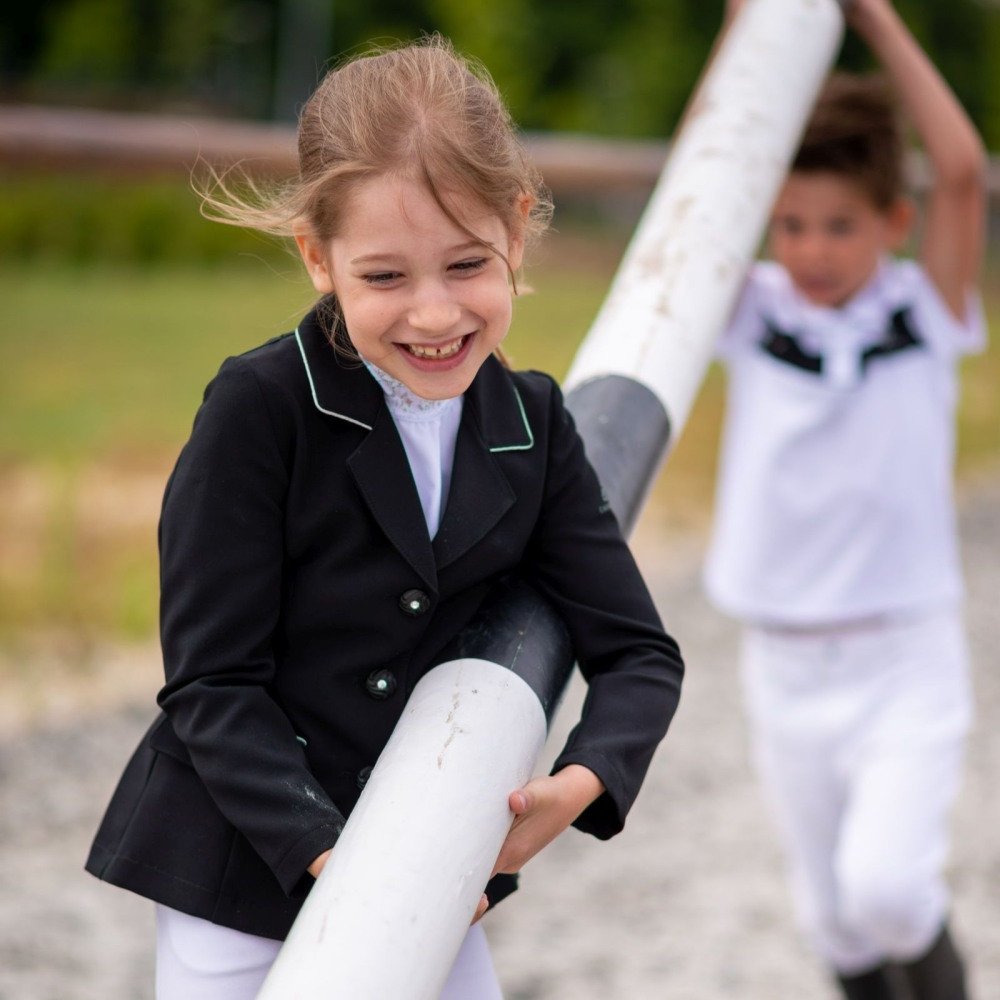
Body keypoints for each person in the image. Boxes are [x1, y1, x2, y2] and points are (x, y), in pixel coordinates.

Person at [84, 35, 684, 1000]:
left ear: (517, 230)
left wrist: (576, 785)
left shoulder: (534, 422)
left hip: (429, 871)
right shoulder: (258, 407)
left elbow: (641, 654)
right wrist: (346, 865)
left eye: (465, 264)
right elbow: (212, 680)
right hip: (241, 868)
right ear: (317, 258)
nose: (435, 315)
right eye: (386, 277)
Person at [703, 1, 987, 997]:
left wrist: (876, 21)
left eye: (838, 226)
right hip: (784, 660)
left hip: (900, 651)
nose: (811, 249)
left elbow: (960, 170)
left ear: (892, 224)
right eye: (790, 224)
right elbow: (708, 173)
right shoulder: (751, 309)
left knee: (890, 890)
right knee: (834, 920)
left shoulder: (925, 308)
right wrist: (744, 39)